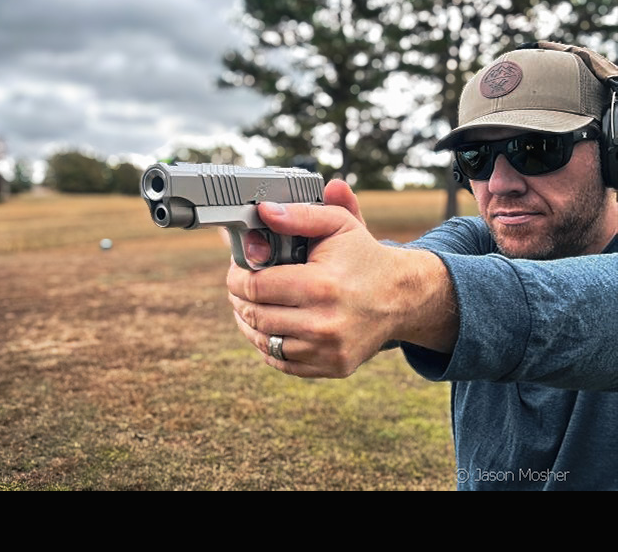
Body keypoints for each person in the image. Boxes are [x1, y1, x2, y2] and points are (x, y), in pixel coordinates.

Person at [227, 42, 618, 491]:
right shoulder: (478, 241)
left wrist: (408, 296)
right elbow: (405, 265)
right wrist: (324, 272)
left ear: (611, 153)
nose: (499, 183)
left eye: (537, 149)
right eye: (477, 157)